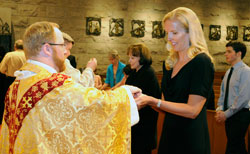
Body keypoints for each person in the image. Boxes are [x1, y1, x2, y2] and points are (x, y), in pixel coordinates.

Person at [0, 21, 141, 154]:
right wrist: (126, 93)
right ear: (47, 49)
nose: (66, 52)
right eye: (62, 46)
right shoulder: (51, 85)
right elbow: (93, 103)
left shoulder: (16, 85)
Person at [135, 7, 214, 154]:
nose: (169, 38)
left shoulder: (201, 62)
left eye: (175, 33)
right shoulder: (170, 63)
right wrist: (143, 99)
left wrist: (153, 101)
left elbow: (192, 110)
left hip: (190, 140)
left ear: (190, 33)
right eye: (167, 33)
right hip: (169, 136)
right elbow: (166, 106)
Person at [125, 43, 161, 154]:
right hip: (134, 121)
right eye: (129, 57)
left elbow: (151, 99)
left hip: (144, 123)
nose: (130, 61)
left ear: (141, 58)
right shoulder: (134, 73)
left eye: (133, 57)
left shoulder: (148, 73)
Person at [215, 41, 250, 154]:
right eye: (226, 52)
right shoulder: (229, 71)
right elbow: (223, 93)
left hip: (240, 114)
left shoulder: (246, 71)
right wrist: (220, 109)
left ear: (238, 54)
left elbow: (243, 98)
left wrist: (226, 114)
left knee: (234, 144)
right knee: (236, 145)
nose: (226, 54)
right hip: (229, 114)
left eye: (229, 51)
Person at [0, 40, 26, 126]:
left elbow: (2, 69)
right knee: (22, 100)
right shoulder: (28, 55)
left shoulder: (9, 55)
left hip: (10, 80)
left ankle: (8, 119)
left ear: (15, 46)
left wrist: (8, 72)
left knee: (9, 100)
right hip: (25, 80)